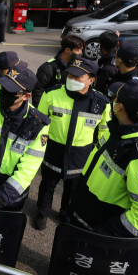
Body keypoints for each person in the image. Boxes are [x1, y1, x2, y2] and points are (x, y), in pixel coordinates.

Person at [67, 79, 138, 238]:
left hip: (96, 233)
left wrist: (106, 232)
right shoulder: (118, 129)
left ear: (119, 107)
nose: (112, 100)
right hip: (81, 215)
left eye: (115, 97)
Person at [34, 58, 111, 230]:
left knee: (73, 188)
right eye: (70, 75)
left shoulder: (101, 103)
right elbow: (39, 123)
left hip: (80, 154)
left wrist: (95, 156)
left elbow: (104, 133)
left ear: (91, 80)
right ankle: (43, 212)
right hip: (53, 149)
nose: (72, 80)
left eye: (78, 77)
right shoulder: (51, 94)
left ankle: (66, 212)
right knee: (47, 184)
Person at [0, 65, 51, 219]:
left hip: (10, 198)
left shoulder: (38, 125)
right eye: (3, 86)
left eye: (10, 91)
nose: (3, 93)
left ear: (26, 96)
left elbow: (27, 170)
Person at [32, 35, 84, 107]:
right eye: (78, 50)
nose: (81, 53)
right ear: (67, 50)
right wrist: (40, 114)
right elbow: (37, 92)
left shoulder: (78, 66)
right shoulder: (47, 67)